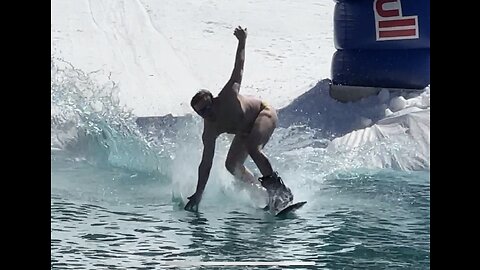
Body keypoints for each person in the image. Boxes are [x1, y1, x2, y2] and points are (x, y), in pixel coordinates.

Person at [184, 26, 293, 212]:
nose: (208, 113)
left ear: (214, 100)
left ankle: (280, 192)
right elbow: (206, 162)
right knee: (231, 165)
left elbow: (239, 67)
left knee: (253, 148)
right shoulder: (209, 129)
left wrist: (242, 41)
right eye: (202, 112)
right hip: (245, 130)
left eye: (208, 107)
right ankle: (264, 194)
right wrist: (199, 193)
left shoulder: (227, 97)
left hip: (263, 113)